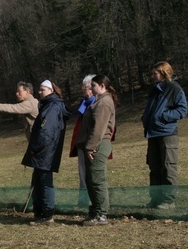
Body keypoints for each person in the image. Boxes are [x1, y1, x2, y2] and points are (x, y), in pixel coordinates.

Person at [21, 80, 70, 225]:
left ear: (51, 90)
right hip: (44, 150)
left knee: (45, 182)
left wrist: (37, 147)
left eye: (42, 89)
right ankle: (39, 212)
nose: (39, 92)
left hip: (46, 150)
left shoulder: (53, 106)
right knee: (38, 181)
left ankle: (47, 215)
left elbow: (46, 131)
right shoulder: (48, 105)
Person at [142, 61, 188, 209]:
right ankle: (155, 199)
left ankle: (168, 201)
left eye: (155, 73)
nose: (152, 76)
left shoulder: (174, 88)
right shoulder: (154, 90)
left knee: (168, 166)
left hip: (167, 133)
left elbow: (182, 110)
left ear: (163, 73)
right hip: (153, 133)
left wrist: (163, 116)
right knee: (154, 167)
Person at [76, 75, 117, 225]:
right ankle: (94, 211)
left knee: (97, 181)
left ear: (102, 86)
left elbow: (99, 129)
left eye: (93, 85)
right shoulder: (99, 101)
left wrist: (90, 148)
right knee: (91, 180)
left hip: (98, 145)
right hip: (94, 145)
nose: (90, 88)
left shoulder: (104, 102)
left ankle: (101, 214)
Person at [69, 75, 96, 208]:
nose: (82, 89)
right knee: (82, 173)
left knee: (92, 173)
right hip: (81, 143)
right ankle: (83, 201)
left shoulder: (96, 103)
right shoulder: (83, 103)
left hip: (91, 143)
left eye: (84, 87)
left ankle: (92, 201)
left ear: (91, 88)